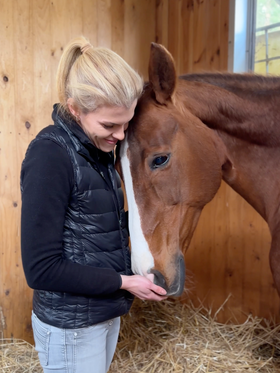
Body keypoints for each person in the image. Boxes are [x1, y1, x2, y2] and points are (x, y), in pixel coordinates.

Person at [20, 36, 167, 373]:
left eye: (126, 122)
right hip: (71, 326)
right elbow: (41, 268)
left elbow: (96, 229)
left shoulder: (98, 150)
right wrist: (124, 282)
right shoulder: (50, 155)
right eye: (109, 125)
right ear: (75, 109)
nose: (119, 134)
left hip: (101, 312)